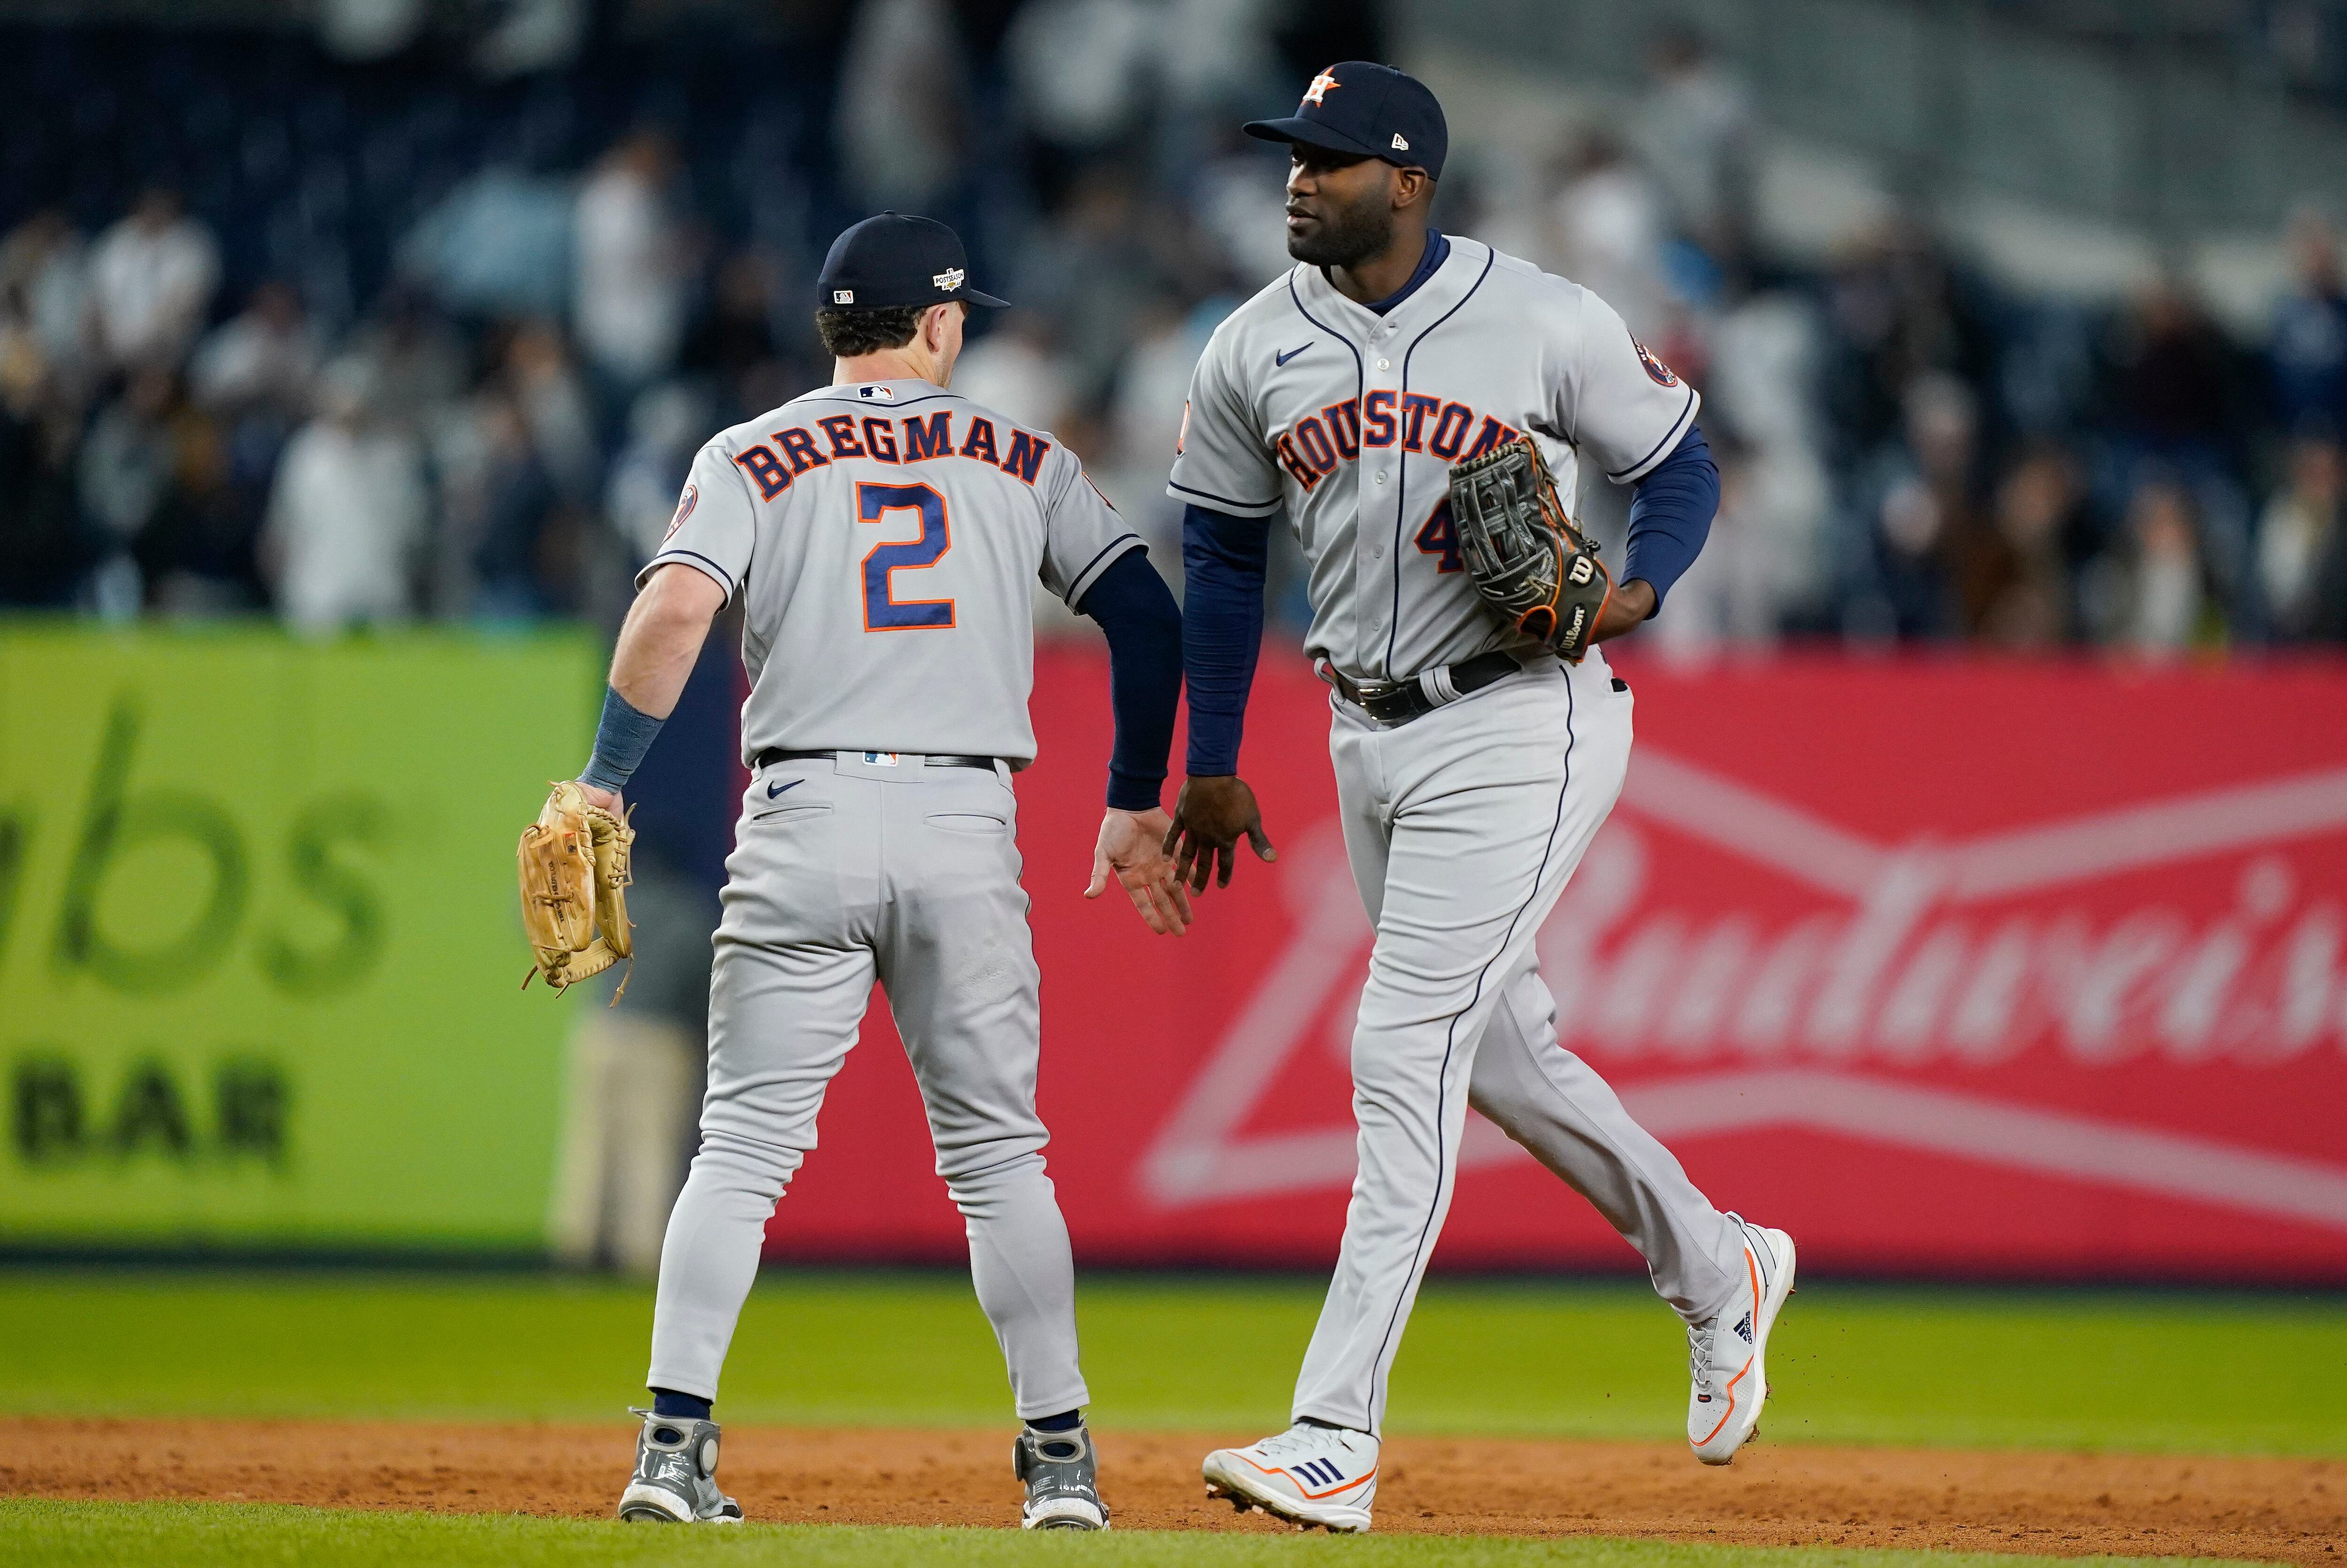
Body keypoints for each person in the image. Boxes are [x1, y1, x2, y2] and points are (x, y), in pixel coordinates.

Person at [1161, 64, 1796, 1533]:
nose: (1297, 180)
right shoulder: (1253, 346)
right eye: (1291, 157)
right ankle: (1722, 1265)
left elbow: (1681, 459)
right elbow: (1221, 561)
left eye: (1327, 159)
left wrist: (1635, 590)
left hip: (1525, 720)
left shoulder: (1548, 317)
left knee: (1400, 1046)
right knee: (1497, 1056)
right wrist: (1208, 758)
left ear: (1409, 180)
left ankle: (1335, 1432)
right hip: (1361, 733)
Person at [577, 213, 1187, 1529]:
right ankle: (1062, 1465)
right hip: (963, 820)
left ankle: (673, 1453)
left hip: (799, 807)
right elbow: (1145, 613)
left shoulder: (750, 450)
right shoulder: (1021, 454)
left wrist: (603, 781)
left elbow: (676, 610)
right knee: (1001, 1162)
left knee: (737, 1149)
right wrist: (1134, 797)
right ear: (940, 324)